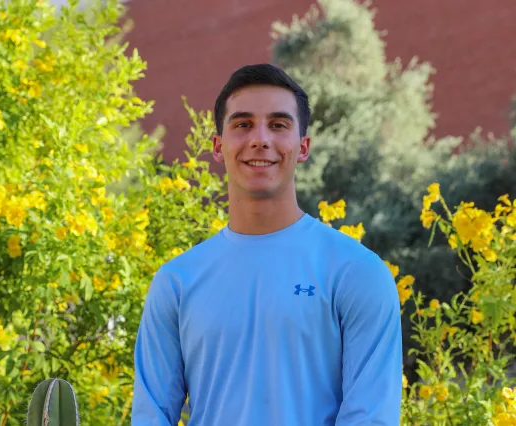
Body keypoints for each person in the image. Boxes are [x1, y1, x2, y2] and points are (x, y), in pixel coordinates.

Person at [131, 63, 402, 425]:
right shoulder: (176, 282)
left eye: (278, 125)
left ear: (303, 146)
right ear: (218, 145)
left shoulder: (357, 273)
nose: (260, 139)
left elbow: (370, 419)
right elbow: (151, 417)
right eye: (243, 124)